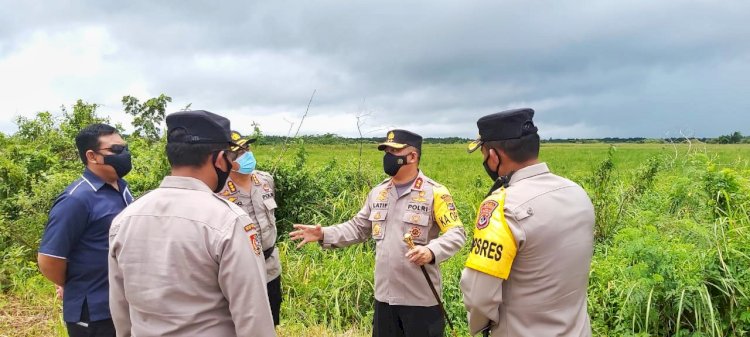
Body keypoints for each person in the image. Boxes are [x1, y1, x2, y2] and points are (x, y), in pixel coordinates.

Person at [108, 110, 276, 337]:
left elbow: (121, 311)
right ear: (218, 159)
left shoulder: (125, 219)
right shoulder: (228, 221)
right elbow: (253, 317)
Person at [291, 129, 466, 337]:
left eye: (394, 150)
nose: (388, 156)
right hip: (385, 299)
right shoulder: (378, 193)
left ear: (412, 156)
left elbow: (456, 233)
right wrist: (323, 234)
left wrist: (431, 251)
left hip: (421, 301)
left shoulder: (435, 192)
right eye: (386, 150)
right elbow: (358, 227)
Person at [460, 108, 595, 337]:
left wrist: (480, 327)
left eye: (484, 154)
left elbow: (479, 295)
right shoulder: (577, 193)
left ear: (494, 156)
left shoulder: (502, 207)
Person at [38, 123, 134, 337]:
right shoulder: (76, 199)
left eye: (125, 148)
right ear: (92, 156)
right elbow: (49, 259)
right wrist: (74, 283)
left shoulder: (123, 188)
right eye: (116, 151)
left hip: (122, 303)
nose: (124, 155)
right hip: (93, 312)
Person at [217, 130, 282, 326]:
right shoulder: (217, 190)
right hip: (239, 270)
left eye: (247, 148)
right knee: (241, 323)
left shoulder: (265, 180)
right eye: (237, 153)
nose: (246, 154)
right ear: (224, 159)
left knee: (270, 320)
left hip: (270, 266)